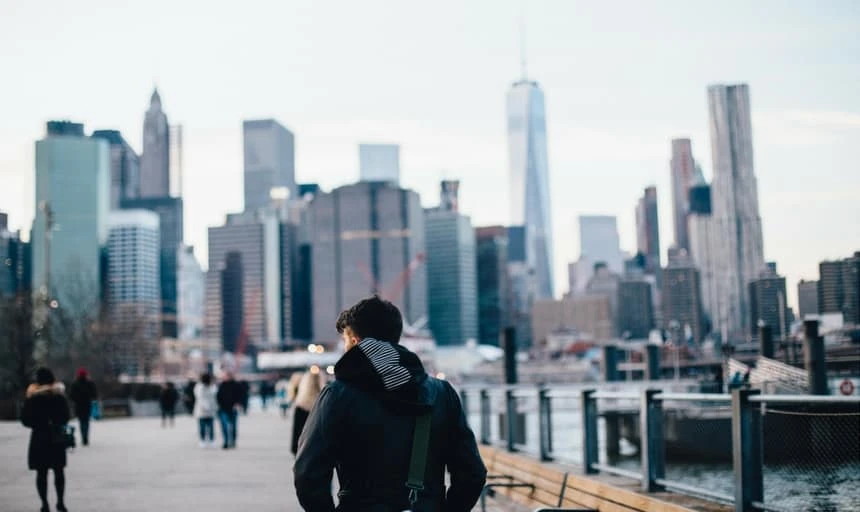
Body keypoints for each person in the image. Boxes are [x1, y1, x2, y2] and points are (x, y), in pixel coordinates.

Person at [294, 296, 486, 511]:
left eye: (346, 341)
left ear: (356, 342)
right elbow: (472, 473)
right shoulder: (442, 394)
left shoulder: (337, 395)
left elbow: (308, 475)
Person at [21, 367, 71, 512]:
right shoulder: (58, 395)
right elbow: (66, 417)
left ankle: (44, 504)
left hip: (39, 438)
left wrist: (38, 423)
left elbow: (25, 420)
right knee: (59, 472)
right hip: (56, 436)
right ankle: (60, 502)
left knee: (41, 473)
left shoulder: (33, 398)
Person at [290, 368, 322, 456]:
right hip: (313, 406)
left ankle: (298, 449)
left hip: (302, 405)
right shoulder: (319, 378)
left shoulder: (305, 379)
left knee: (299, 429)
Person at [68, 367, 97, 446]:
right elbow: (94, 394)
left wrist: (76, 399)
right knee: (86, 422)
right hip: (87, 405)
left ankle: (83, 437)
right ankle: (85, 437)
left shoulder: (75, 383)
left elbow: (71, 395)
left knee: (81, 422)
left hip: (78, 405)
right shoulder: (89, 383)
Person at [216, 372, 243, 449]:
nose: (225, 377)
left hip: (233, 408)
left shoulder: (236, 385)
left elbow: (240, 395)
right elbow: (218, 396)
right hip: (223, 408)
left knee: (233, 426)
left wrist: (238, 403)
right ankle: (226, 441)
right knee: (224, 426)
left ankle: (233, 441)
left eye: (226, 376)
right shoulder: (221, 385)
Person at [193, 373, 218, 448]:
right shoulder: (200, 387)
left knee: (209, 426)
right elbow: (200, 397)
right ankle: (204, 440)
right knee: (204, 426)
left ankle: (209, 440)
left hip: (208, 410)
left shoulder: (212, 386)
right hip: (202, 410)